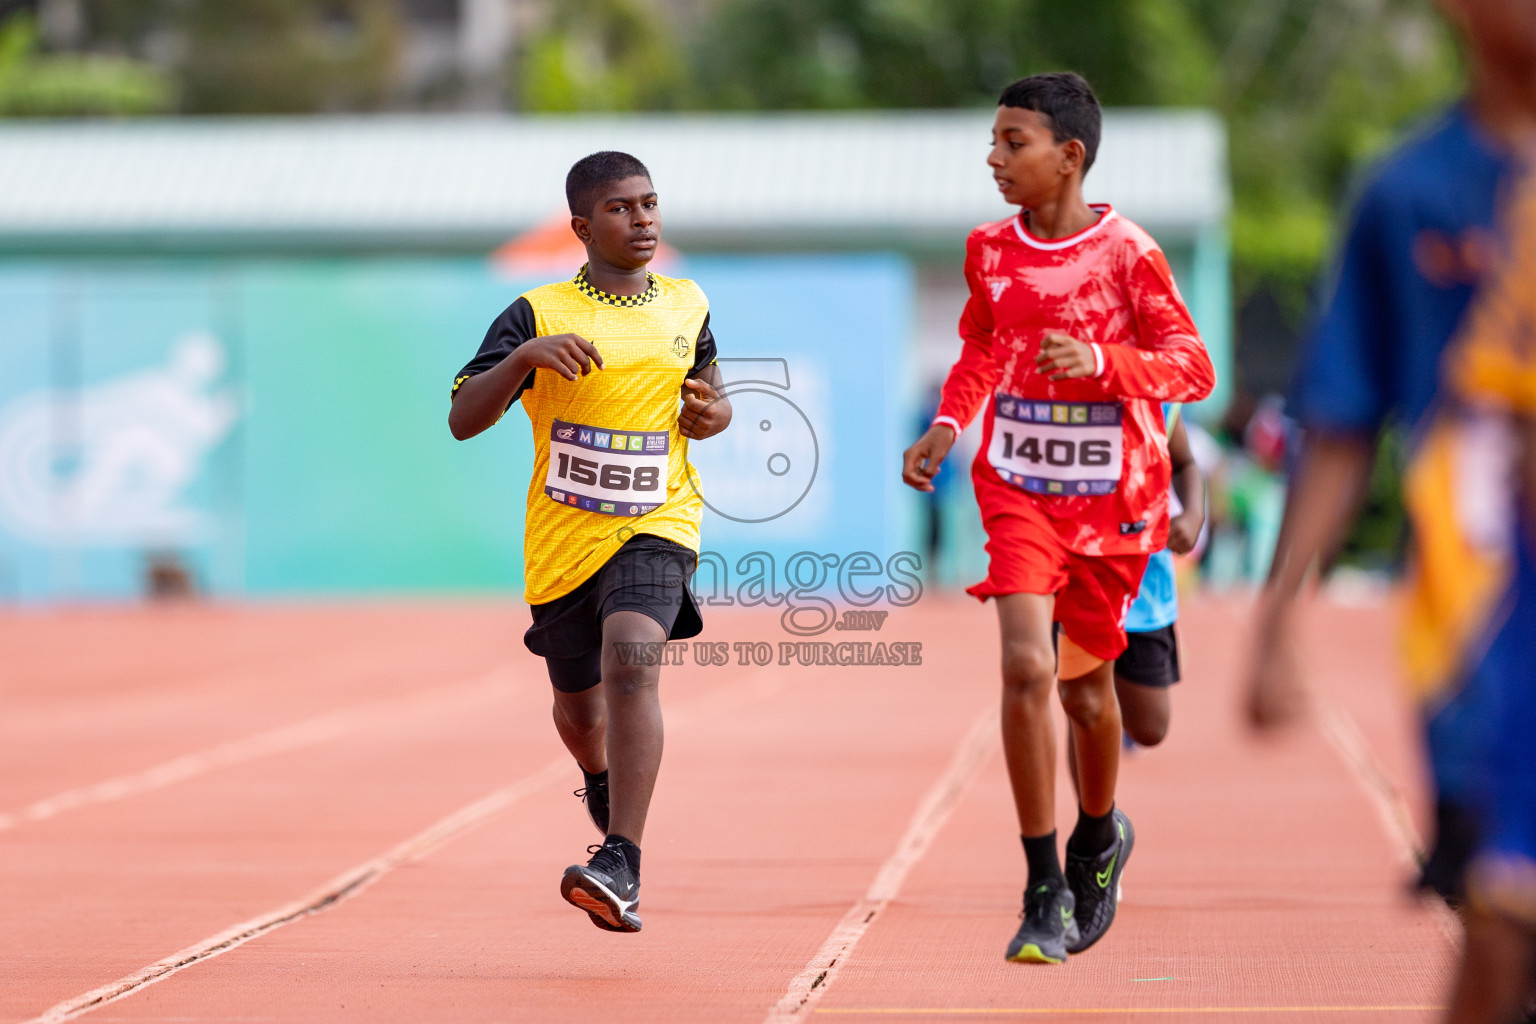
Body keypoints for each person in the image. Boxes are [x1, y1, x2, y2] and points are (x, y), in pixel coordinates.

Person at [902, 72, 1216, 964]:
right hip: (1018, 488)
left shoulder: (1130, 255)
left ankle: (1097, 836)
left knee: (1088, 693)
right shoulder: (988, 251)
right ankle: (1043, 886)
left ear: (1068, 156)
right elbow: (980, 346)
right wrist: (947, 424)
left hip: (1115, 502)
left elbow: (1192, 368)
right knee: (1022, 663)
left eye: (1013, 143)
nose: (994, 158)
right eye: (993, 141)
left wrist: (1103, 360)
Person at [1242, 0, 1536, 920]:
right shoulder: (1407, 192)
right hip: (1482, 632)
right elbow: (1340, 424)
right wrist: (1280, 616)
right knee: (1499, 925)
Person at [448, 151, 731, 934]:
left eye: (650, 204)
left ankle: (622, 863)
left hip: (659, 522)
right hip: (564, 542)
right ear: (582, 226)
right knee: (578, 710)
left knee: (632, 661)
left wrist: (716, 414)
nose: (641, 219)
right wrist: (524, 360)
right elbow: (464, 418)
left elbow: (714, 394)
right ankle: (600, 775)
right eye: (620, 209)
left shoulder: (687, 302)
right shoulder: (534, 313)